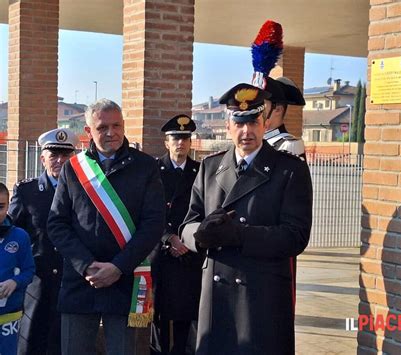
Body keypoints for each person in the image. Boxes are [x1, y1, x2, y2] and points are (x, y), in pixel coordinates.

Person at [180, 83, 313, 355]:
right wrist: (200, 235)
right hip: (216, 297)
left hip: (261, 294)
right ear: (228, 126)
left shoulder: (289, 170)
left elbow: (296, 236)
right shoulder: (210, 167)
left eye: (253, 122)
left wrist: (241, 236)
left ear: (265, 123)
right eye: (239, 123)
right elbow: (187, 225)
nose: (246, 131)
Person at [47, 99, 165, 355]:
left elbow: (154, 223)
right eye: (102, 127)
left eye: (116, 126)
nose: (111, 133)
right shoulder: (73, 168)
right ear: (88, 131)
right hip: (81, 280)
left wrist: (118, 267)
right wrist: (85, 264)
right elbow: (57, 224)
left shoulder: (145, 166)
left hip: (125, 279)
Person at [9, 128, 78, 355]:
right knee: (31, 342)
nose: (60, 160)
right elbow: (12, 233)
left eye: (65, 155)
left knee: (64, 343)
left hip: (71, 280)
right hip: (37, 281)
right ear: (42, 158)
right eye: (54, 154)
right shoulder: (26, 191)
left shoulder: (84, 192)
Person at [150, 114, 203, 355]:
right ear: (166, 143)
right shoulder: (154, 170)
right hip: (162, 252)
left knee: (185, 311)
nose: (180, 143)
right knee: (158, 312)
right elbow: (149, 211)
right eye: (175, 138)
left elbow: (204, 209)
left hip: (189, 252)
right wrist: (168, 238)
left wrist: (186, 241)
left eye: (185, 138)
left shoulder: (201, 171)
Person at [0, 182, 35, 355]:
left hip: (9, 316)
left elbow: (29, 271)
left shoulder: (20, 237)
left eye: (0, 207)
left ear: (8, 206)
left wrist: (15, 282)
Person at [262, 76, 307, 160]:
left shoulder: (289, 145)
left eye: (262, 104)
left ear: (278, 110)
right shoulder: (254, 140)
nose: (256, 108)